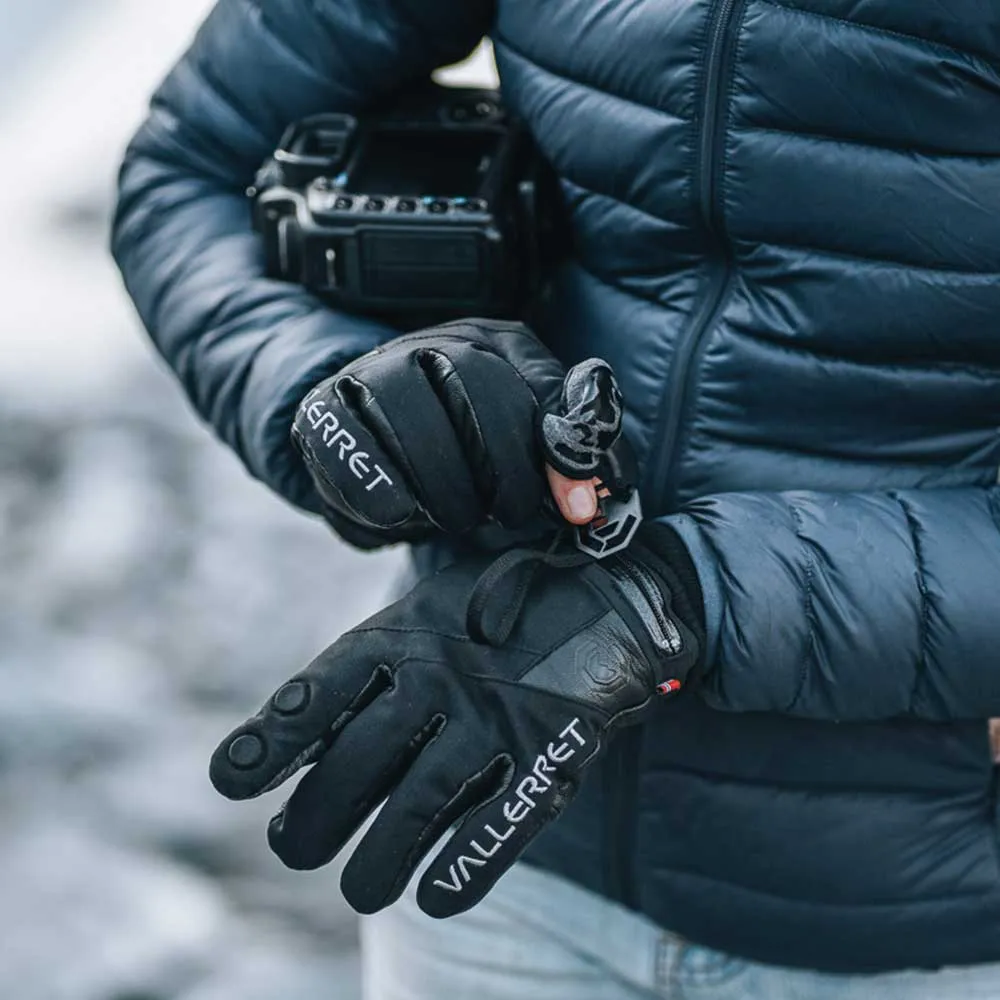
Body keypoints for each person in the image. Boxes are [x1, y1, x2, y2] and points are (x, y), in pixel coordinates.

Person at [111, 1, 1000, 997]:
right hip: (486, 848)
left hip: (932, 930)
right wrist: (335, 396)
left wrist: (684, 593)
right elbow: (190, 167)